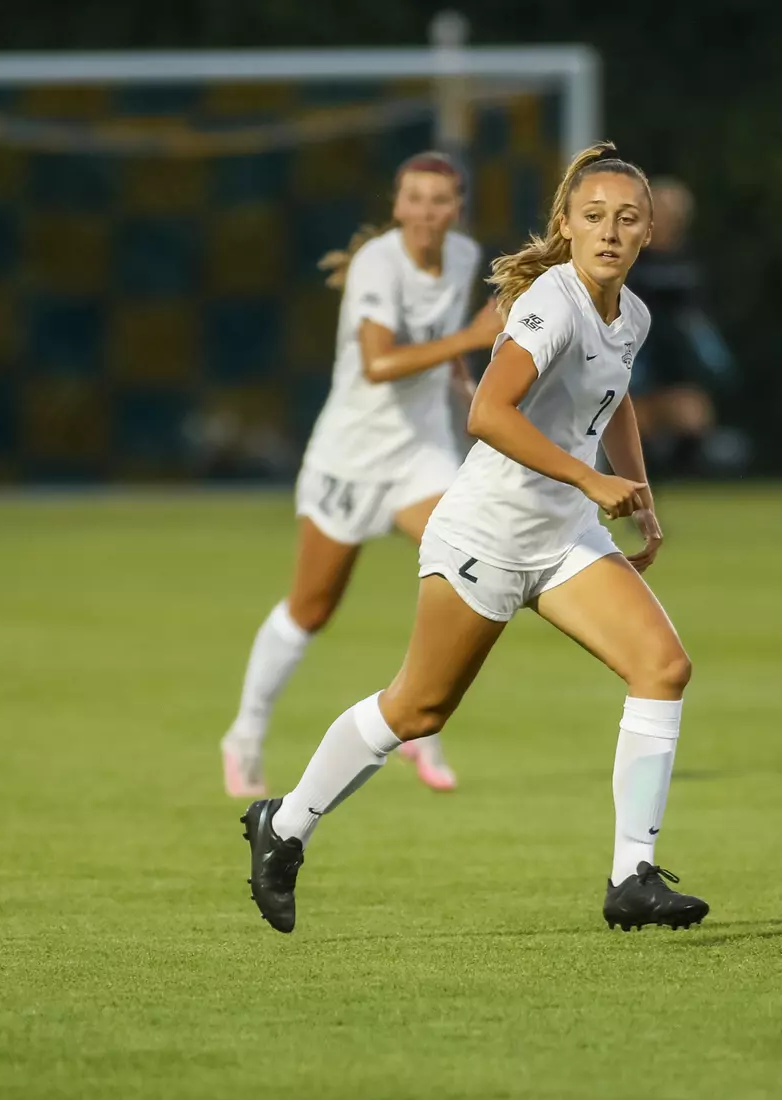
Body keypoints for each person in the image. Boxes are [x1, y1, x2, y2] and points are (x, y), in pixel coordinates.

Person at [238, 142, 709, 935]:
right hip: (485, 535)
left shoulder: (630, 312)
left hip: (563, 537)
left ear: (649, 234)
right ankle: (283, 824)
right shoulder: (551, 302)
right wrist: (592, 480)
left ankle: (631, 873)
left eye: (628, 219)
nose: (609, 231)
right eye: (593, 216)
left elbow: (615, 394)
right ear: (565, 224)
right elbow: (486, 414)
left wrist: (641, 494)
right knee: (416, 710)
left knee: (663, 668)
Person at [219, 152, 502, 799]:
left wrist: (473, 398)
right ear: (397, 206)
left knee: (467, 558)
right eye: (415, 198)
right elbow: (378, 364)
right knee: (311, 608)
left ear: (457, 208)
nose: (427, 212)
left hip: (420, 453)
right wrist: (471, 339)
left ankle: (418, 719)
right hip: (351, 457)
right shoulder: (378, 263)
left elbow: (446, 351)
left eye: (440, 200)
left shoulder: (461, 256)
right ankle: (245, 733)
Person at [623, 177, 737, 477]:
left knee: (691, 418)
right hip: (637, 350)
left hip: (678, 354)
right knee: (636, 421)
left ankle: (686, 482)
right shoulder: (626, 258)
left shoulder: (694, 260)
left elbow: (701, 313)